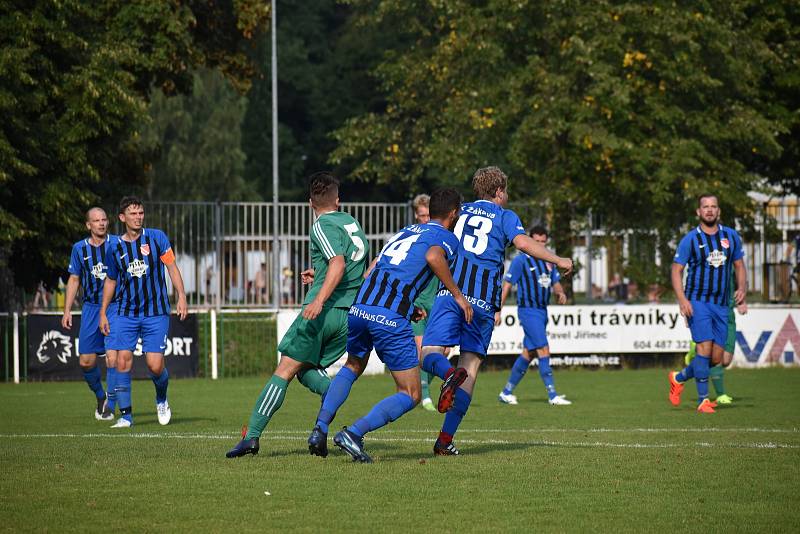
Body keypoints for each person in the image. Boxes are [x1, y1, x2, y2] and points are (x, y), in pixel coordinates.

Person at [307, 188, 469, 463]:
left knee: (353, 366)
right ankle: (354, 434)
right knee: (410, 393)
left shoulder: (405, 232)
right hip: (388, 318)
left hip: (361, 307)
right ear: (453, 213)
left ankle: (319, 429)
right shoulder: (446, 237)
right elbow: (433, 257)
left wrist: (406, 305)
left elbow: (374, 267)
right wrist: (457, 295)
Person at [420, 166, 573, 455]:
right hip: (482, 303)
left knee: (428, 354)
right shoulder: (505, 216)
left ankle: (447, 374)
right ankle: (444, 440)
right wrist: (558, 259)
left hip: (450, 293)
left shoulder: (459, 211)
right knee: (471, 368)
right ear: (500, 191)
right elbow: (523, 243)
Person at [226, 172, 368, 458]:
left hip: (323, 311)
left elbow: (338, 265)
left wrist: (318, 298)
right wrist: (318, 273)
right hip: (349, 314)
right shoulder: (352, 222)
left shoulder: (321, 225)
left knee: (285, 369)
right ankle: (323, 421)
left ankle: (251, 437)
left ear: (310, 203)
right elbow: (351, 267)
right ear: (337, 200)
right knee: (305, 369)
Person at [99, 196, 188, 428]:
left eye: (140, 213)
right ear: (122, 217)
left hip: (156, 312)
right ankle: (126, 415)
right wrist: (102, 312)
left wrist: (181, 296)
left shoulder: (157, 238)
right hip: (126, 313)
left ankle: (161, 399)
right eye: (133, 213)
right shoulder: (115, 247)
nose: (138, 217)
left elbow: (172, 267)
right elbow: (110, 281)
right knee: (121, 360)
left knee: (155, 365)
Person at [669, 194, 746, 413]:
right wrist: (682, 300)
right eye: (705, 207)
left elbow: (740, 265)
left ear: (719, 211)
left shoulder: (731, 236)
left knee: (716, 358)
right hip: (698, 302)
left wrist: (742, 289)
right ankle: (703, 400)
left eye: (713, 207)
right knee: (703, 349)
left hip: (722, 304)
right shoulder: (690, 239)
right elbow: (676, 270)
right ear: (698, 212)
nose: (709, 210)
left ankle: (678, 377)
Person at [496, 226, 571, 406]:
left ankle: (506, 392)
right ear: (530, 241)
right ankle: (552, 394)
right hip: (528, 311)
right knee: (543, 349)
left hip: (542, 311)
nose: (540, 244)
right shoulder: (521, 260)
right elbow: (507, 285)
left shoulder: (548, 261)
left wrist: (560, 293)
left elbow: (556, 282)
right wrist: (499, 309)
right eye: (536, 241)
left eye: (543, 241)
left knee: (528, 353)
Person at [61, 207, 119, 421]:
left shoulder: (117, 244)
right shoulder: (79, 249)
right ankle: (100, 396)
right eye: (96, 220)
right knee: (86, 361)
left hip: (115, 307)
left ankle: (111, 405)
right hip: (91, 308)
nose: (102, 223)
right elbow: (74, 279)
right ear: (88, 225)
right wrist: (67, 310)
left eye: (104, 219)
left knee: (112, 358)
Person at [682, 269, 747, 405]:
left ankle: (683, 372)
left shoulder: (729, 256)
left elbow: (737, 280)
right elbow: (689, 280)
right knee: (713, 358)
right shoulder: (702, 256)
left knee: (725, 360)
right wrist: (686, 306)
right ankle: (719, 395)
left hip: (727, 313)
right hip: (707, 310)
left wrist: (741, 301)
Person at [410, 194, 442, 411]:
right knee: (423, 351)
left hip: (437, 303)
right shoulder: (412, 239)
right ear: (416, 215)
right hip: (417, 304)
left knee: (440, 354)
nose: (425, 219)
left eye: (429, 215)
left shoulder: (441, 238)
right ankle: (426, 397)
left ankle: (419, 388)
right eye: (422, 215)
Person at [785, 233, 800, 298]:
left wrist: (787, 258)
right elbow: (790, 247)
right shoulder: (797, 238)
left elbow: (789, 248)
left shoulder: (797, 238)